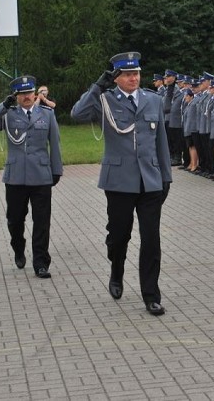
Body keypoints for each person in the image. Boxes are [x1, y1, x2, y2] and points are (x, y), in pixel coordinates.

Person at [70, 52, 172, 316]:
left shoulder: (153, 99)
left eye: (136, 73)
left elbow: (161, 140)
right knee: (118, 237)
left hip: (150, 181)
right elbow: (77, 113)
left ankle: (151, 295)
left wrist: (166, 177)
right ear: (116, 77)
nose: (133, 78)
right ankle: (117, 270)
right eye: (127, 74)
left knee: (151, 239)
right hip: (118, 182)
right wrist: (97, 86)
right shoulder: (105, 100)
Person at [0, 75, 63, 279]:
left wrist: (56, 170)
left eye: (29, 92)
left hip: (41, 175)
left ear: (34, 93)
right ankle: (18, 248)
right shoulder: (8, 114)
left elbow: (55, 143)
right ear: (16, 96)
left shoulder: (46, 114)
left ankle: (41, 262)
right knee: (15, 220)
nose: (26, 97)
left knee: (42, 221)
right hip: (16, 176)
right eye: (22, 94)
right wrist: (4, 105)